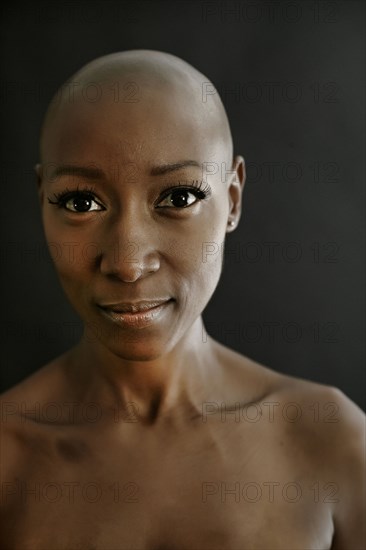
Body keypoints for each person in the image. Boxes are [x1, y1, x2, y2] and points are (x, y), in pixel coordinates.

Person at [0, 50, 364, 550]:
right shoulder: (7, 458)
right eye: (80, 202)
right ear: (43, 198)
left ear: (232, 199)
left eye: (178, 198)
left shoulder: (332, 442)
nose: (127, 262)